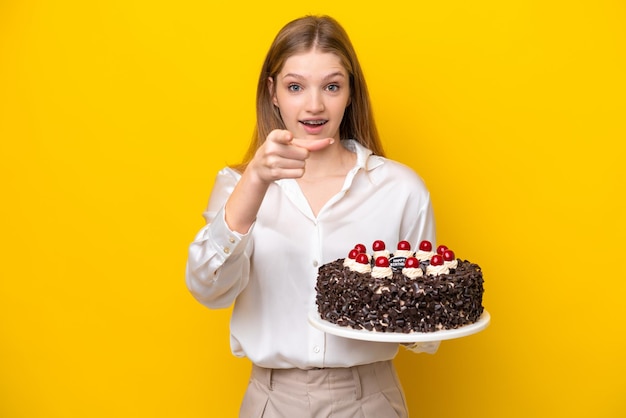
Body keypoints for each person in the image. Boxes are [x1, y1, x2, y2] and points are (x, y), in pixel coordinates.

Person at [186, 15, 439, 417]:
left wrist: (401, 311)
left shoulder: (402, 190)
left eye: (332, 86)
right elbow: (207, 289)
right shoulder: (238, 185)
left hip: (369, 399)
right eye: (295, 86)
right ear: (273, 92)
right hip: (271, 400)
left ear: (351, 93)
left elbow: (426, 333)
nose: (314, 105)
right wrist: (253, 183)